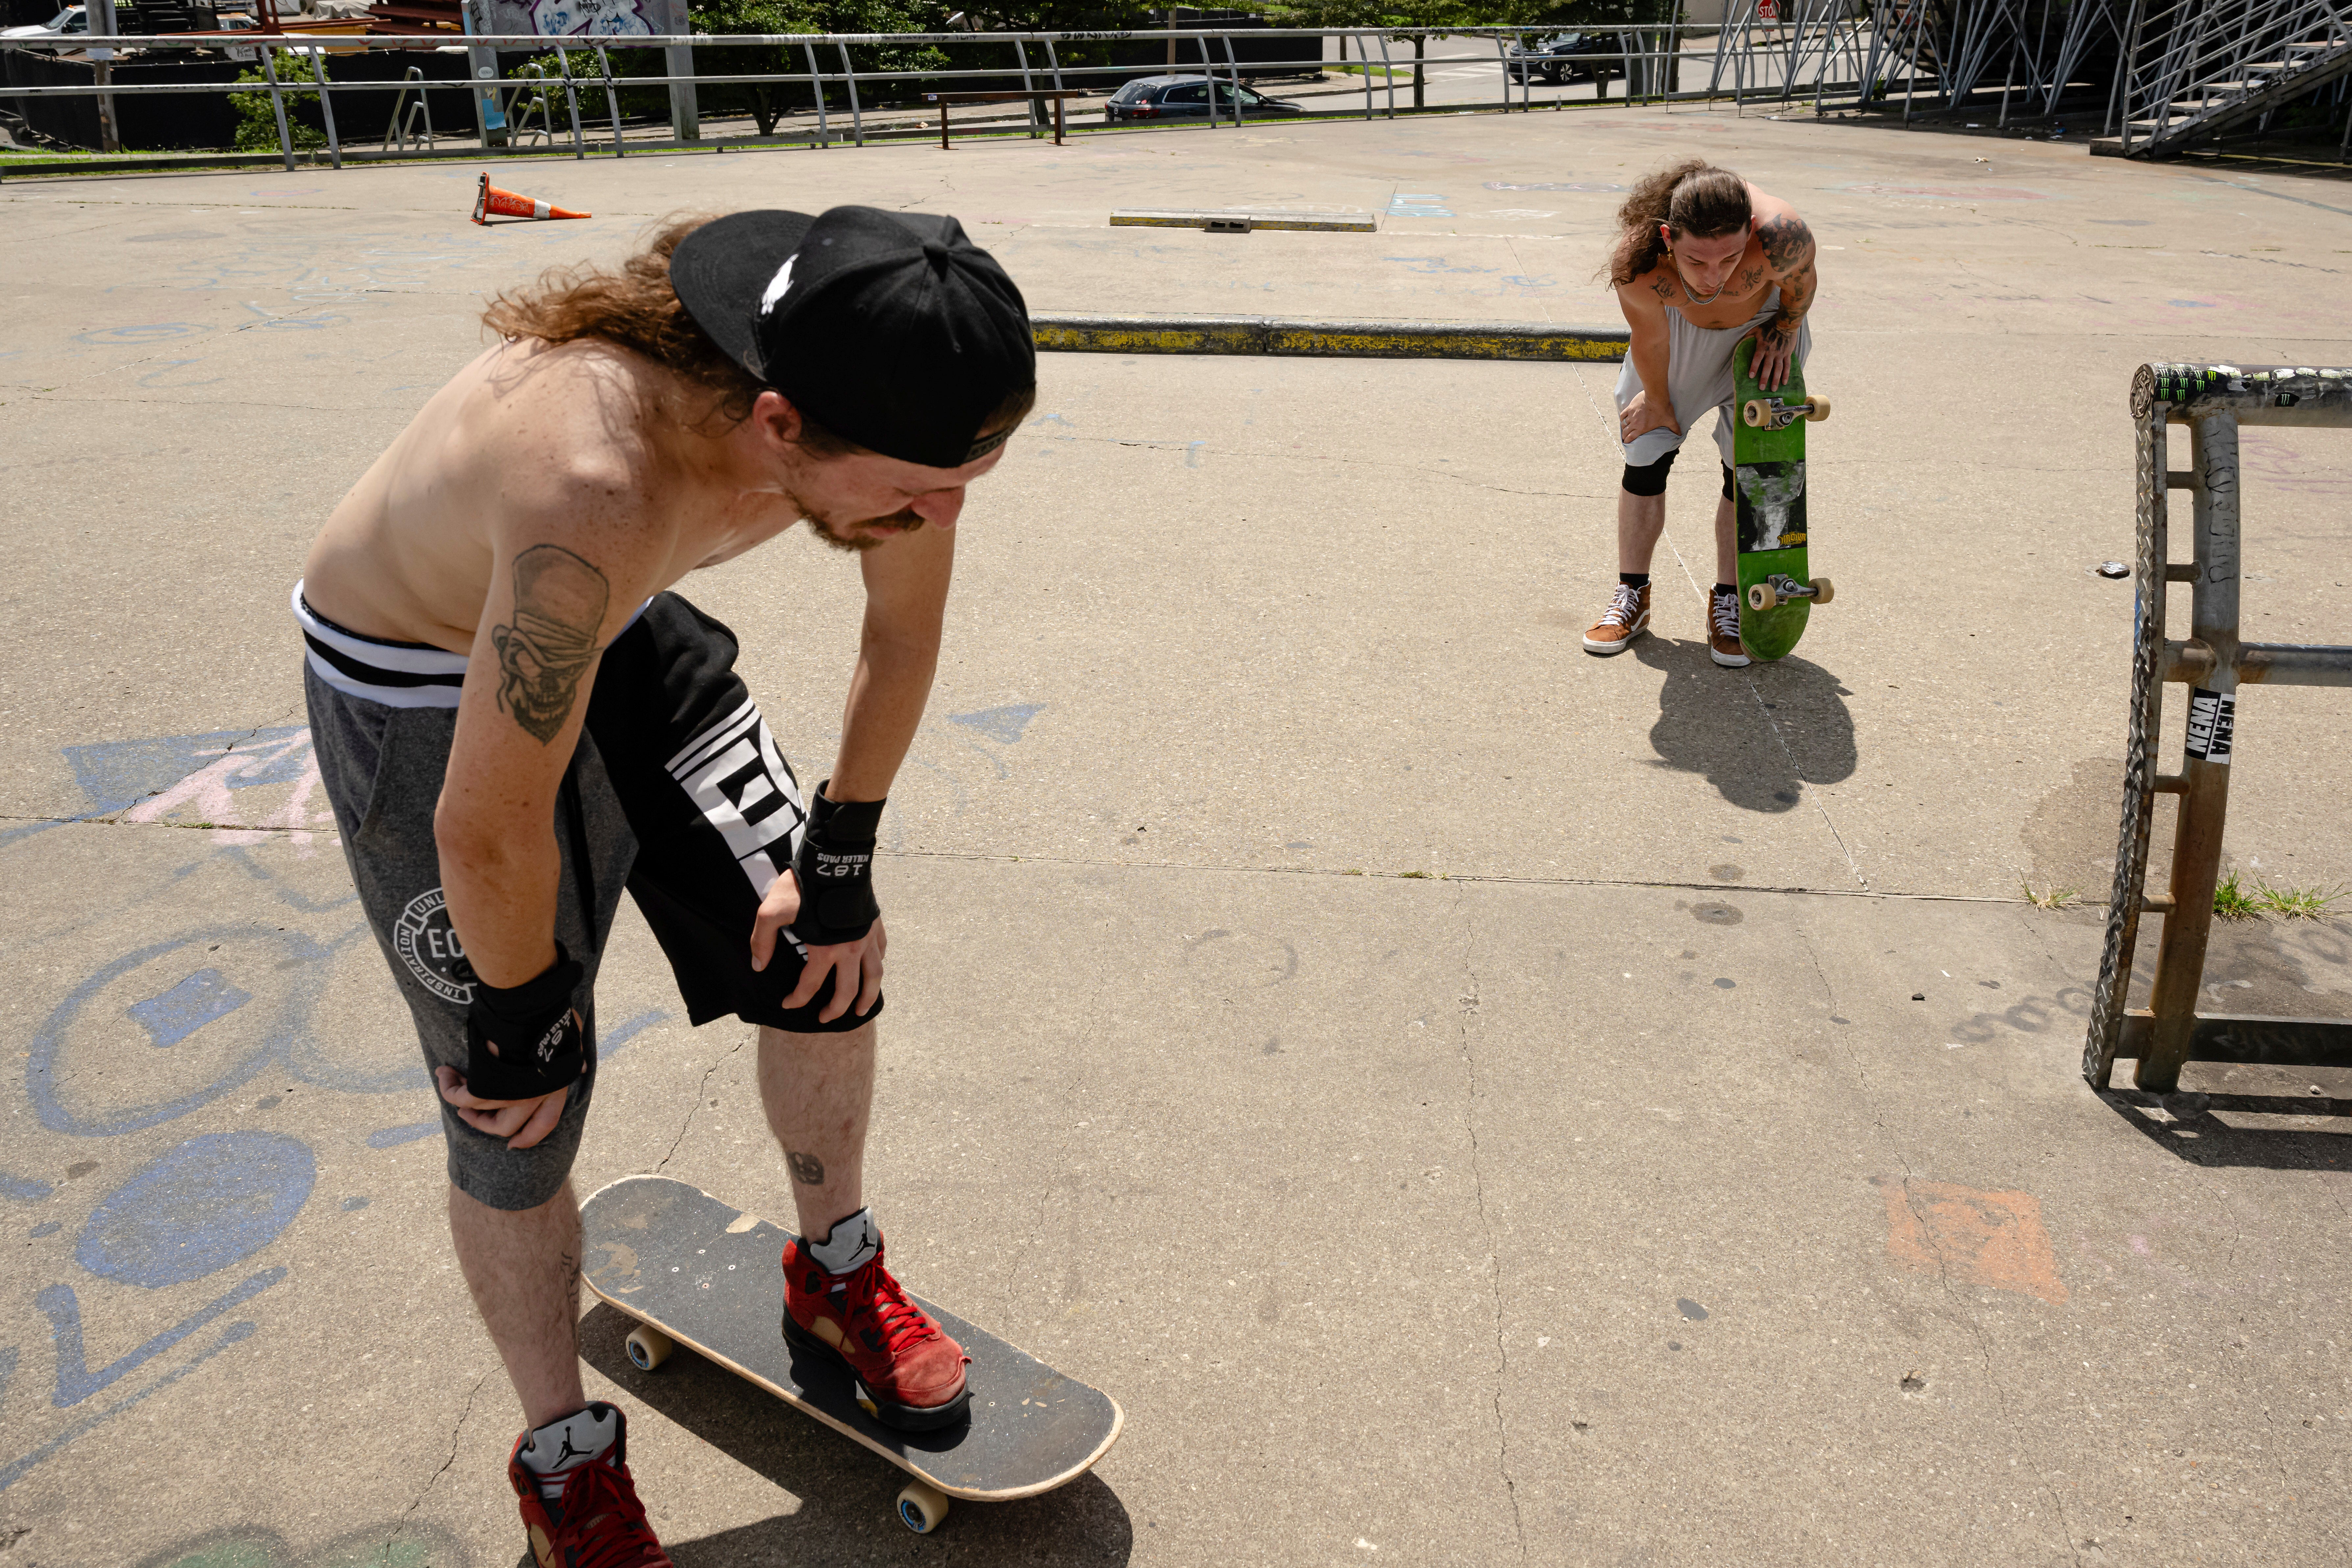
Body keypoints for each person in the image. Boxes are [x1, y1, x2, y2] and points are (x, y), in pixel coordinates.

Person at [295, 206, 1035, 1568]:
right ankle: (564, 1460)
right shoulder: (597, 480)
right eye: (917, 493)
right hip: (421, 686)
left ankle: (834, 1270)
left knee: (826, 955)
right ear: (777, 423)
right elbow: (485, 821)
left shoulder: (879, 374)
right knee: (515, 1104)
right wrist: (522, 1017)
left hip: (617, 623)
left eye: (967, 481)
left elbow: (903, 628)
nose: (942, 516)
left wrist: (841, 856)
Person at [1582, 160, 1820, 667]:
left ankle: (1731, 599)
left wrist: (1785, 330)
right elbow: (1649, 338)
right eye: (1696, 261)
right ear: (1669, 238)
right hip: (1679, 334)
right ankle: (1633, 595)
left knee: (1750, 469)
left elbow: (1802, 283)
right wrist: (1658, 401)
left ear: (1750, 231)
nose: (1714, 276)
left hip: (1762, 328)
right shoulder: (1639, 263)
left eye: (1730, 258)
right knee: (1646, 453)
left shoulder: (1782, 235)